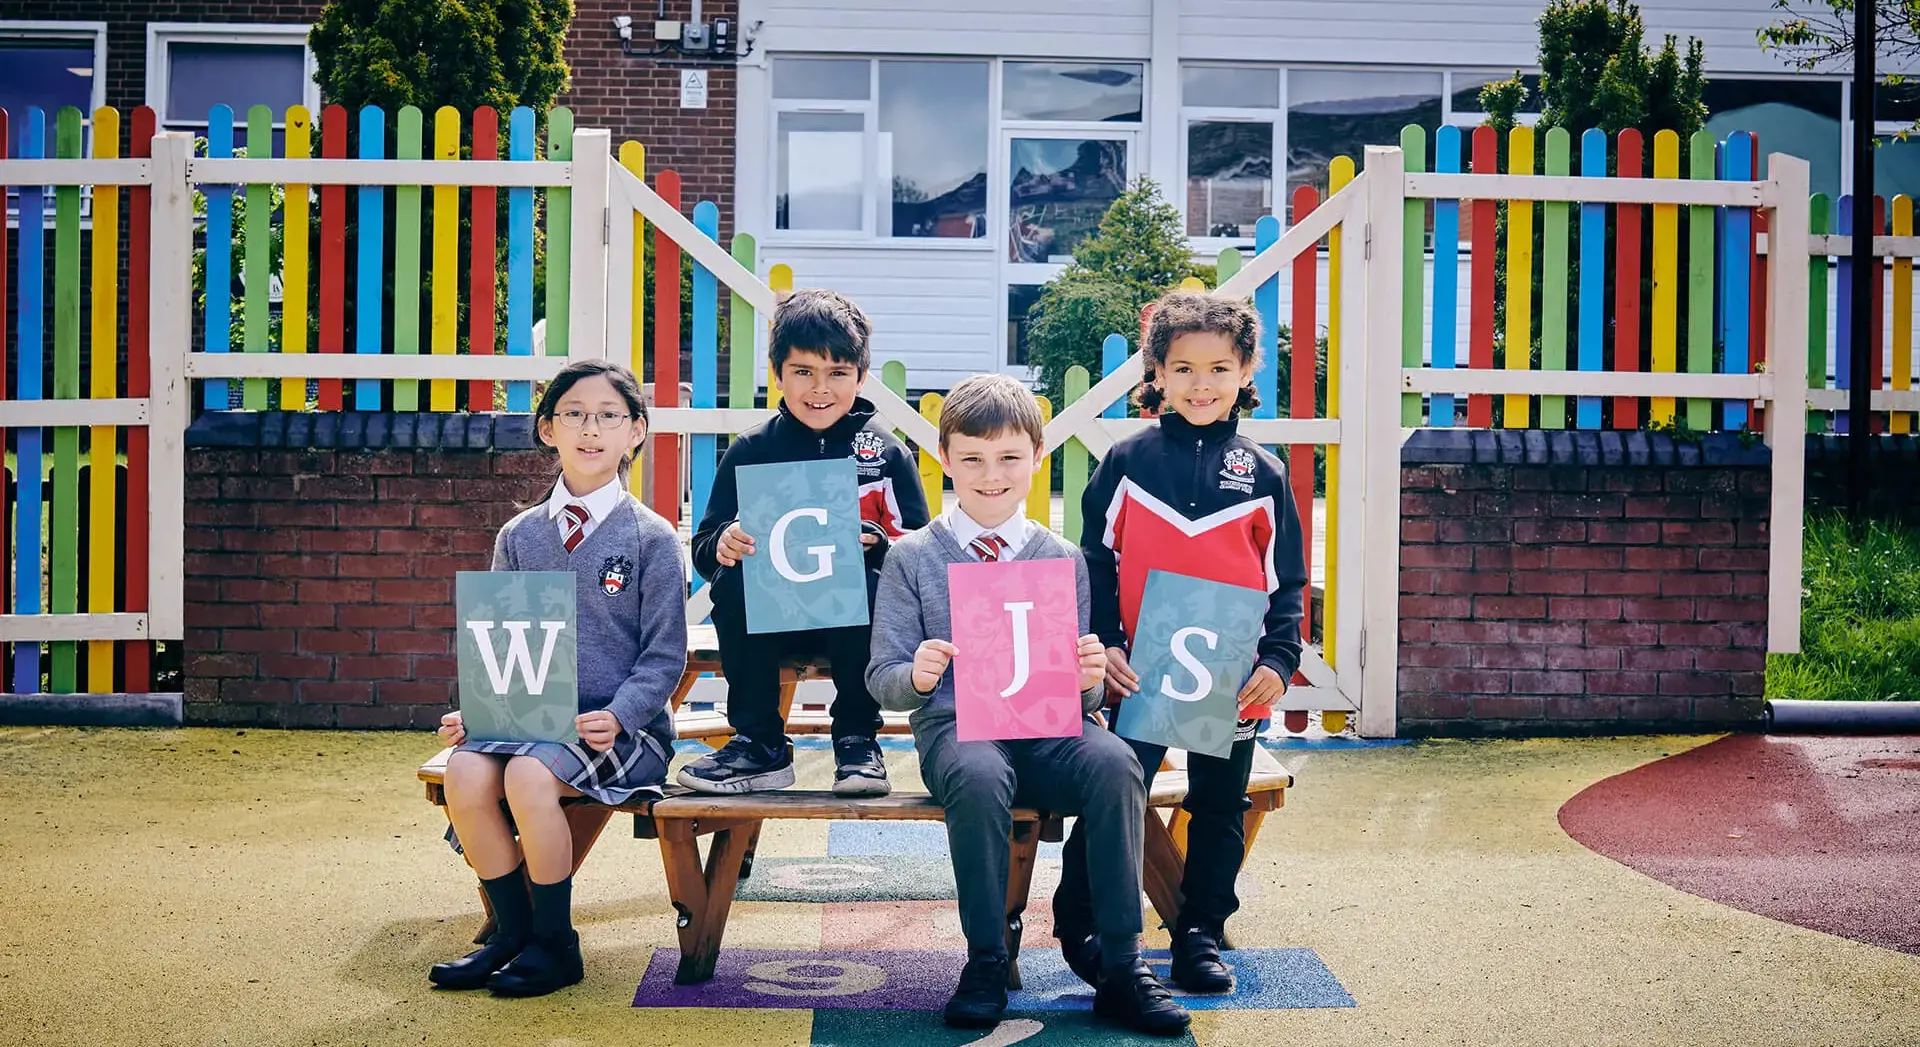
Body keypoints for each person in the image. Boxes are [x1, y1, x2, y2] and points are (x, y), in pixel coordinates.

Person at [865, 374, 1191, 1036]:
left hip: (1050, 729)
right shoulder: (912, 556)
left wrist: (1090, 680)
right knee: (982, 774)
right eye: (973, 458)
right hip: (961, 733)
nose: (992, 474)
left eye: (1010, 457)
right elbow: (883, 675)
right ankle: (986, 957)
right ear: (944, 456)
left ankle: (1122, 965)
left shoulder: (1060, 556)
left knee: (1116, 762)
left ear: (1037, 457)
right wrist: (918, 676)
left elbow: (1082, 689)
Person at [1054, 291, 1310, 995]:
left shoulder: (1263, 472)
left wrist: (1278, 663)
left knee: (1218, 803)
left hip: (1229, 677)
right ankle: (1076, 919)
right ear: (1157, 374)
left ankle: (1199, 932)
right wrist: (1105, 643)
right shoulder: (1127, 461)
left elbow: (1286, 581)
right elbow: (1094, 563)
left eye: (1220, 368)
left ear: (1247, 370)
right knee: (1116, 793)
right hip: (1139, 673)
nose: (1203, 384)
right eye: (1185, 368)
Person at [430, 359, 689, 997]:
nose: (590, 428)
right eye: (573, 414)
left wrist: (622, 714)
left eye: (608, 416)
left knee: (527, 773)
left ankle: (556, 942)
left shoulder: (652, 539)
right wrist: (479, 712)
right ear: (548, 430)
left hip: (620, 733)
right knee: (465, 769)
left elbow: (664, 658)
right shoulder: (519, 536)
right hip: (529, 719)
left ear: (636, 432)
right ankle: (512, 935)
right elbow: (501, 636)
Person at [682, 289, 930, 796]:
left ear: (861, 377)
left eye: (838, 373)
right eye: (803, 372)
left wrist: (878, 545)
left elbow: (919, 553)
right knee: (733, 584)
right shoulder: (751, 450)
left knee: (870, 578)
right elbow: (705, 546)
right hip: (771, 627)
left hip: (856, 630)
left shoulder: (885, 454)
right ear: (778, 373)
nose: (820, 388)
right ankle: (760, 744)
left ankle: (858, 738)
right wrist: (725, 545)